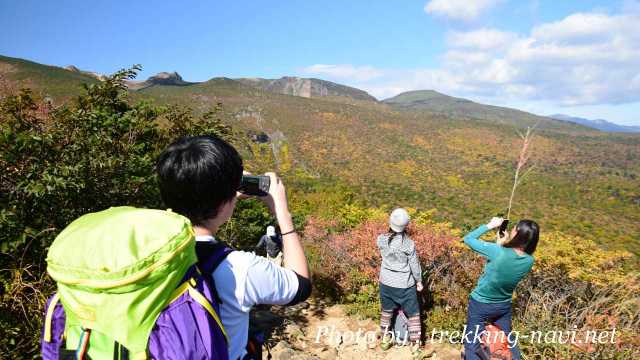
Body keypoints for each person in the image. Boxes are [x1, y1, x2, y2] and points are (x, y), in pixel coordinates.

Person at [157, 135, 312, 360]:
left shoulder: (143, 251)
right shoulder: (240, 268)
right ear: (224, 202)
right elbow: (302, 286)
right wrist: (282, 214)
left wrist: (223, 195)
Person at [462, 217, 539, 360]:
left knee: (472, 343)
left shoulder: (497, 251)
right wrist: (502, 245)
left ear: (517, 234)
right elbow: (505, 264)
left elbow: (468, 239)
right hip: (503, 305)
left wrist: (490, 225)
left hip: (480, 303)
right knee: (508, 340)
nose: (511, 230)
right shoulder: (529, 261)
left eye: (514, 228)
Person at [377, 208, 423, 350]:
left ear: (390, 222)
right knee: (414, 314)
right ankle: (415, 348)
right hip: (405, 285)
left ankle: (385, 340)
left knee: (387, 311)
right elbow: (414, 265)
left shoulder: (380, 239)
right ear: (406, 225)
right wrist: (419, 281)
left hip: (385, 282)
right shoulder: (409, 244)